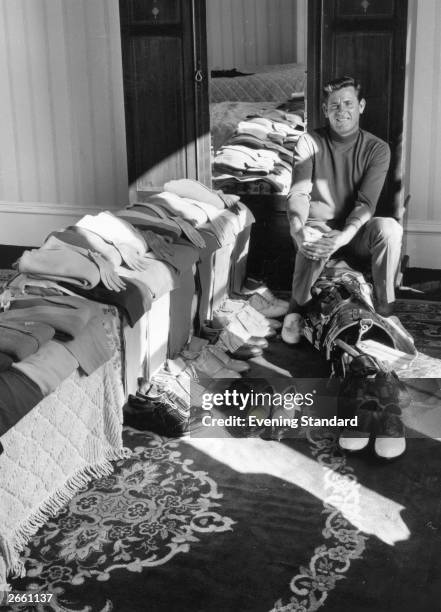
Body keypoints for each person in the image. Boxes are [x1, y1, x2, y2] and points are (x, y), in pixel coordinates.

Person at [282, 75, 403, 344]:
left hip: (355, 233)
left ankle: (385, 308)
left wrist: (345, 235)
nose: (342, 110)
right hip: (319, 230)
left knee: (390, 229)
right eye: (334, 105)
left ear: (361, 106)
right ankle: (297, 307)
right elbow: (299, 192)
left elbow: (365, 204)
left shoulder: (377, 148)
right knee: (311, 236)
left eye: (348, 103)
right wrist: (297, 229)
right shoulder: (308, 142)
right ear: (325, 110)